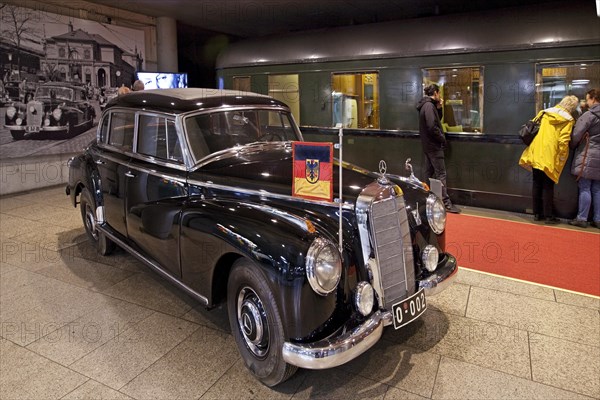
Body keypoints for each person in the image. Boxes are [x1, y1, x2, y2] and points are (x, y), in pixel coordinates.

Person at [519, 95, 579, 224]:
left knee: (536, 183)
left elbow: (532, 126)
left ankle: (536, 213)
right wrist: (562, 156)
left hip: (536, 151)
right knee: (548, 186)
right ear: (572, 108)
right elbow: (563, 141)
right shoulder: (568, 120)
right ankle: (548, 216)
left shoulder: (545, 112)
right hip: (550, 155)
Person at [416, 83, 460, 213]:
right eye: (439, 93)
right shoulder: (429, 106)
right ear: (435, 93)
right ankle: (446, 203)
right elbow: (432, 126)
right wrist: (442, 138)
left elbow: (435, 120)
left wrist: (439, 108)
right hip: (434, 146)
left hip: (428, 145)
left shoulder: (427, 105)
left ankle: (426, 198)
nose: (440, 95)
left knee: (429, 173)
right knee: (441, 174)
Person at [568, 89, 600, 228]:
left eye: (588, 99)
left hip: (588, 155)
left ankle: (582, 218)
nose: (587, 103)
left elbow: (576, 135)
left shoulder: (589, 115)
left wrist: (572, 146)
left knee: (585, 187)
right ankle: (598, 219)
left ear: (593, 99)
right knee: (598, 189)